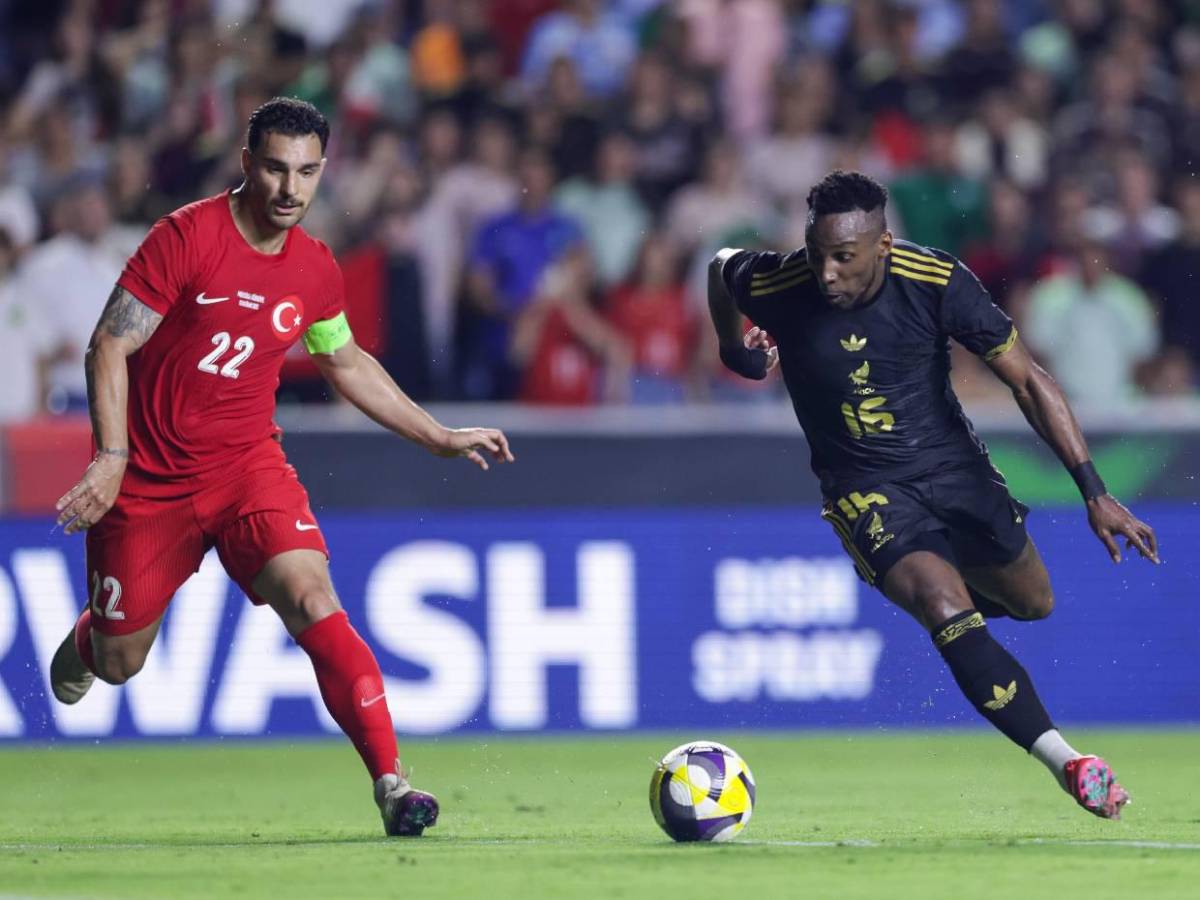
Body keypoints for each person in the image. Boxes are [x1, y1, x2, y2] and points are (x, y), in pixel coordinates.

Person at [48, 98, 514, 837]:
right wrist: (111, 457)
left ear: (323, 171)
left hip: (247, 471)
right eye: (274, 169)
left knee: (312, 595)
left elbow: (344, 360)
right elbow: (109, 344)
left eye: (306, 172)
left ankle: (393, 785)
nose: (290, 189)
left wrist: (435, 435)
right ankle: (89, 642)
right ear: (246, 164)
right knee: (120, 662)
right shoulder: (185, 237)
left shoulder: (315, 269)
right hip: (149, 482)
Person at [707, 170, 1158, 820]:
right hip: (865, 489)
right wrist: (733, 347)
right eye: (817, 254)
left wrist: (1094, 491)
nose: (827, 273)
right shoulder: (782, 282)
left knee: (1033, 602)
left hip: (955, 471)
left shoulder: (935, 279)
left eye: (844, 257)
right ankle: (1068, 761)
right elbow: (722, 267)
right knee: (942, 605)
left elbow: (1027, 381)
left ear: (883, 246)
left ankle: (956, 611)